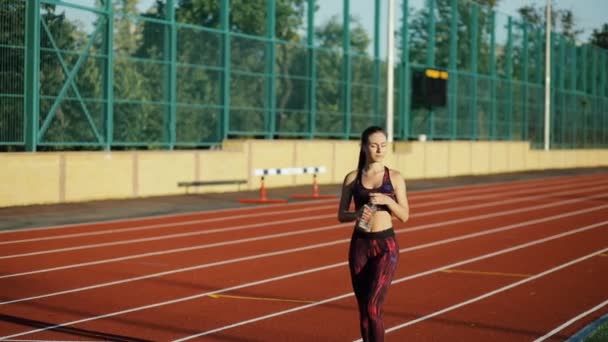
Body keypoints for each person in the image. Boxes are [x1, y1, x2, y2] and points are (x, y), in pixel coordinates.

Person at [337, 125, 410, 342]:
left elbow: (405, 215)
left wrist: (388, 200)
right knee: (364, 310)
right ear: (364, 147)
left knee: (373, 306)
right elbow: (341, 214)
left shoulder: (394, 177)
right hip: (360, 245)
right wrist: (357, 214)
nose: (379, 149)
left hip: (385, 246)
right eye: (374, 145)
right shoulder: (352, 178)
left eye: (383, 145)